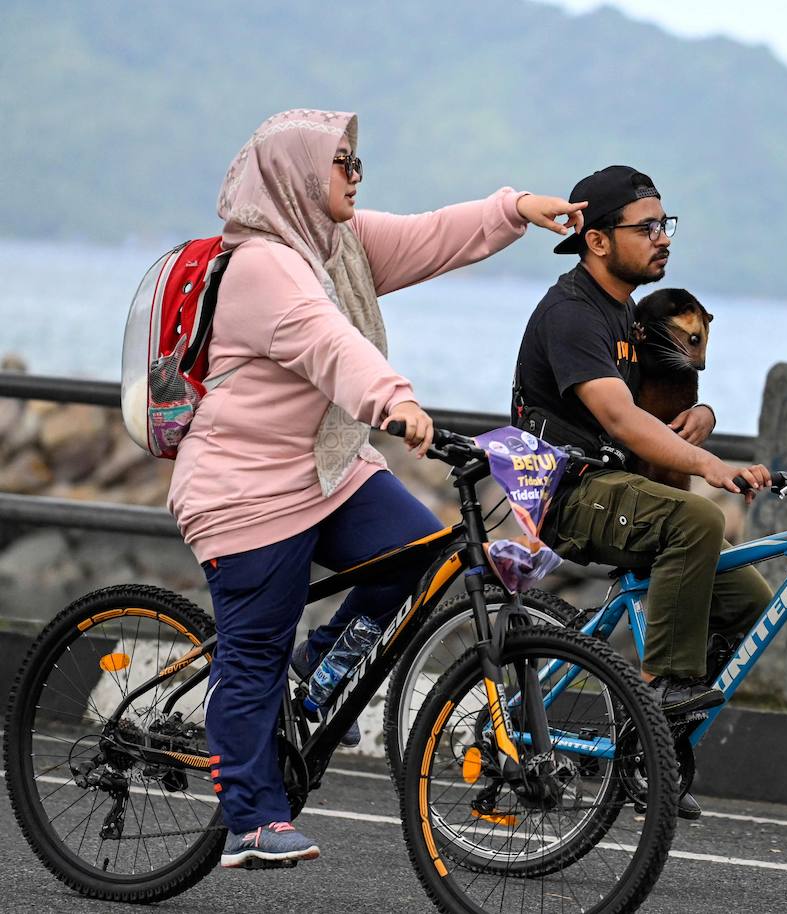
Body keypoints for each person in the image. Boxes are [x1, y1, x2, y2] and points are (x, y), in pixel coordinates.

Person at [168, 108, 585, 868]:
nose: (356, 178)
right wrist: (393, 399)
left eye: (358, 164)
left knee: (418, 551)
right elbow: (329, 344)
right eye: (343, 165)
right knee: (252, 652)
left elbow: (430, 235)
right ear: (299, 177)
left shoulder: (339, 245)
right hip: (247, 491)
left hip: (326, 469)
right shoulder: (263, 265)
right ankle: (251, 819)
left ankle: (318, 673)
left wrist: (514, 208)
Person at [510, 165, 774, 817]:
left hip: (615, 485)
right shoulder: (573, 312)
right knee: (695, 521)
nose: (664, 238)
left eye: (666, 225)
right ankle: (663, 692)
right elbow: (621, 419)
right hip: (566, 492)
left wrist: (703, 419)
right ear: (597, 240)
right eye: (647, 227)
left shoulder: (627, 313)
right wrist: (709, 467)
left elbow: (654, 408)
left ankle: (643, 753)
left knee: (749, 600)